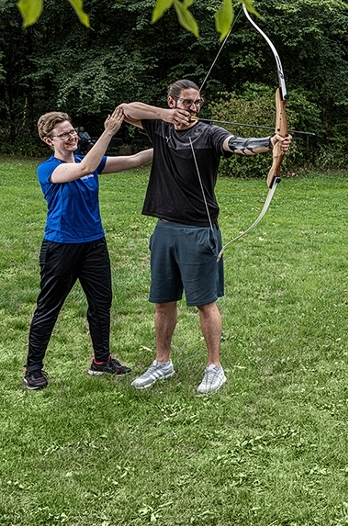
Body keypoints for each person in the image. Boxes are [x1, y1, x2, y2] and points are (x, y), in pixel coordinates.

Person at [118, 80, 292, 394]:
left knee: (205, 303)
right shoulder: (160, 126)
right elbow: (125, 110)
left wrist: (271, 142)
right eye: (188, 102)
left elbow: (236, 143)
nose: (195, 108)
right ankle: (162, 362)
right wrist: (164, 116)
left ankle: (215, 367)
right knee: (162, 302)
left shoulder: (209, 134)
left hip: (199, 230)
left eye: (198, 102)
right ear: (171, 102)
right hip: (164, 229)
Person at [24, 108, 154, 390]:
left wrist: (169, 143)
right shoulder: (49, 168)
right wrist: (109, 131)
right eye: (64, 134)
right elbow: (83, 170)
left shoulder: (88, 160)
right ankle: (33, 368)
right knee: (49, 307)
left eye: (72, 132)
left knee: (101, 304)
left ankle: (101, 360)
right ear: (49, 141)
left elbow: (133, 159)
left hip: (94, 244)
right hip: (61, 246)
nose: (71, 137)